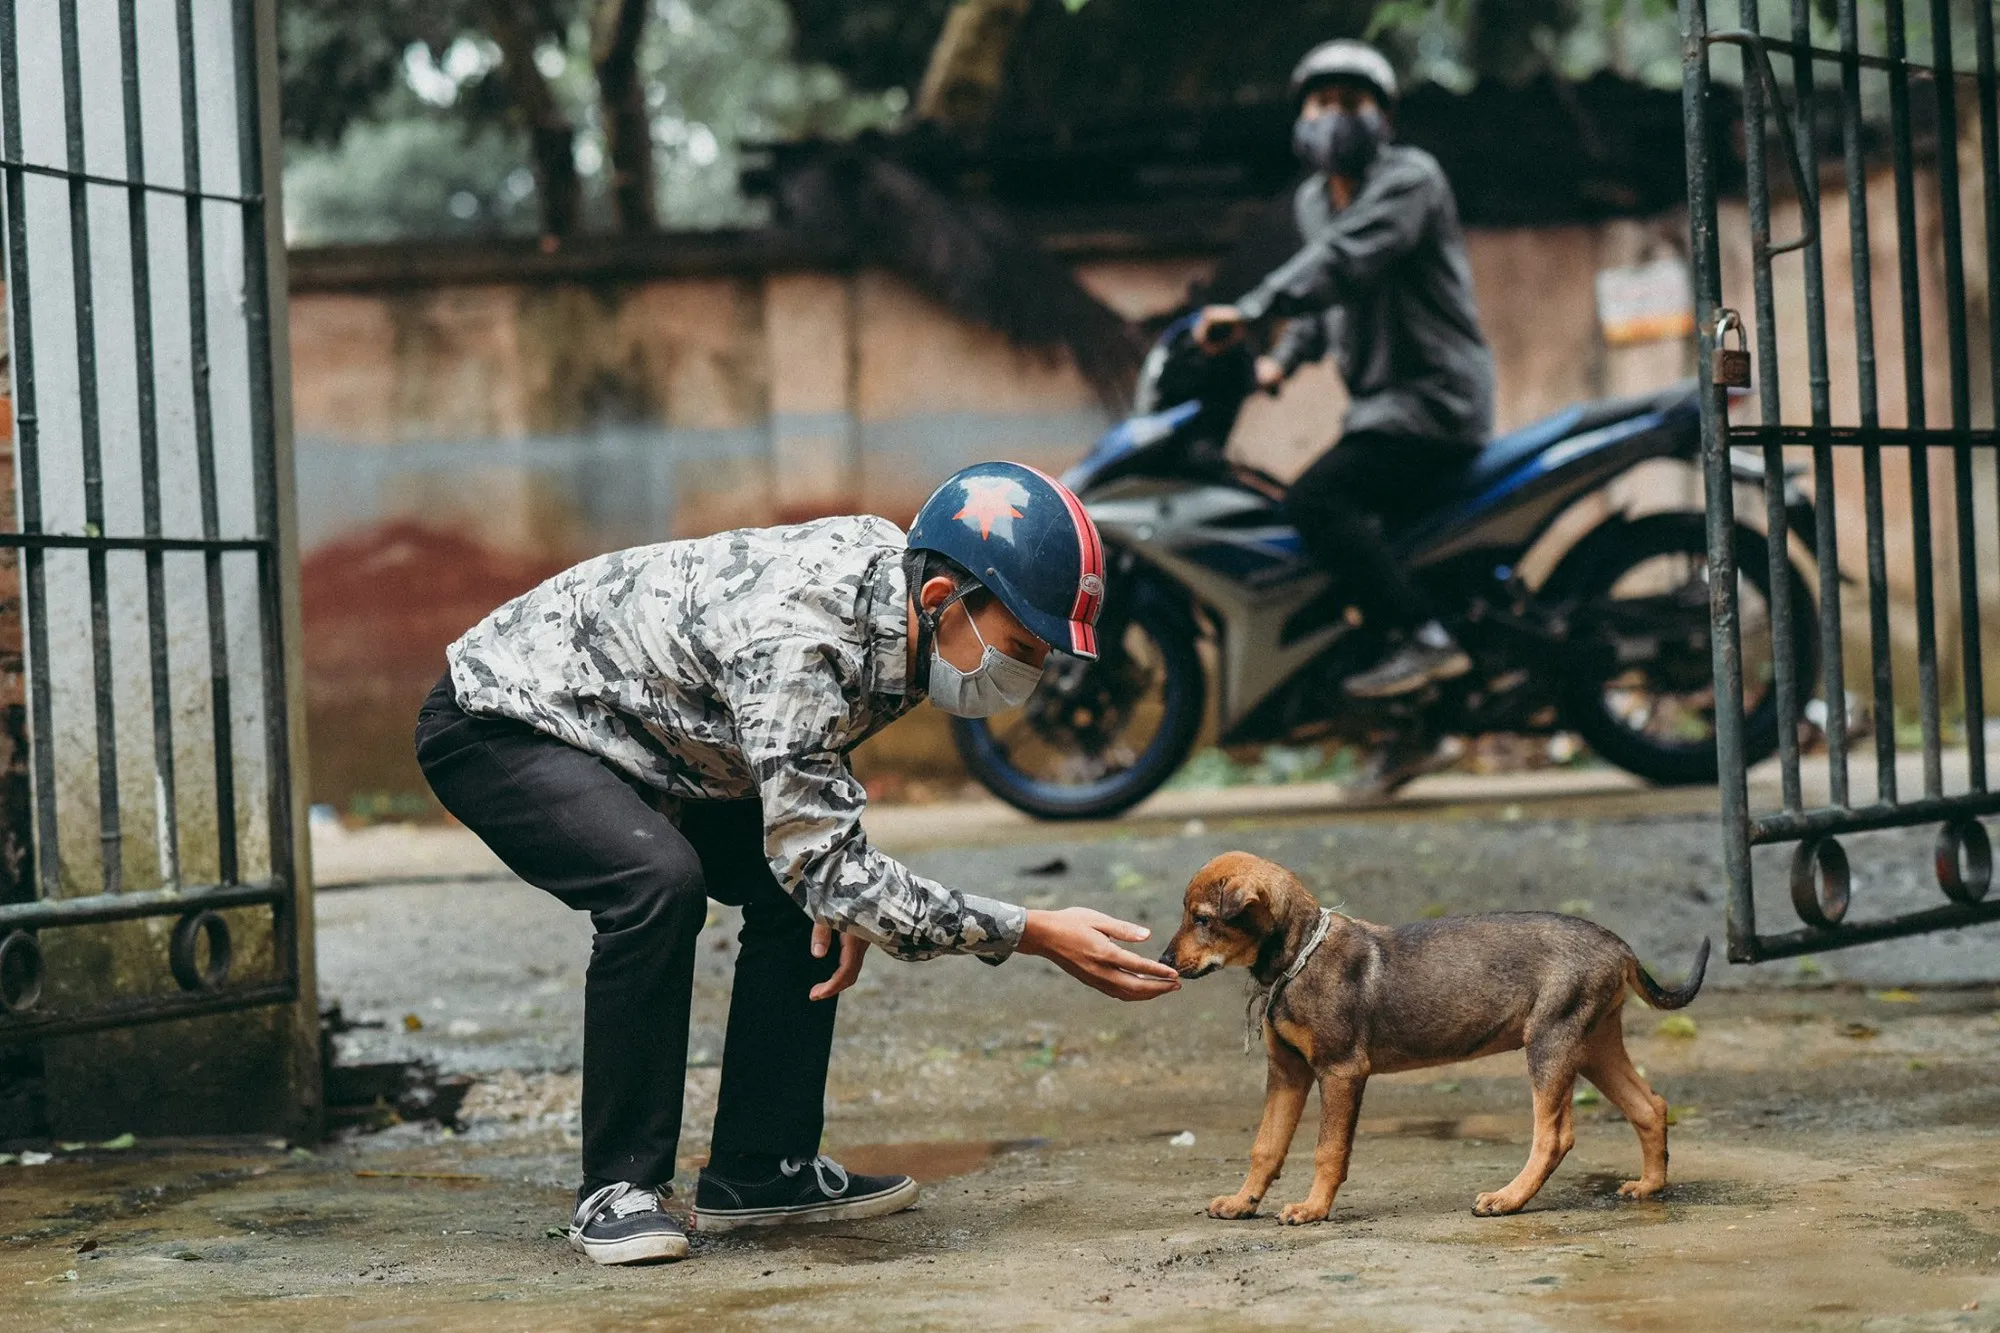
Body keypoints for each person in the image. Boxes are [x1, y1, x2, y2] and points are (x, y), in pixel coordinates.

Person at [413, 461, 1181, 1266]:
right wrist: (1034, 931)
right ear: (939, 598)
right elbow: (826, 860)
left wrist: (835, 886)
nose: (1027, 677)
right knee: (657, 881)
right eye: (1022, 646)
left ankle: (760, 1168)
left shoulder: (908, 612)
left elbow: (816, 833)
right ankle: (617, 1188)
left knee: (805, 895)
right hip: (499, 721)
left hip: (653, 742)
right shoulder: (805, 635)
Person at [1194, 39, 1496, 700]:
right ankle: (1418, 720)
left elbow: (1345, 262)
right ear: (1301, 116)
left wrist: (1248, 311)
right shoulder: (1313, 202)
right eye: (1322, 101)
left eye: (1351, 102)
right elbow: (1324, 296)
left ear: (1383, 119)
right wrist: (1280, 360)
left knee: (1315, 500)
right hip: (1383, 411)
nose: (1334, 115)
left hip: (1433, 403)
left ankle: (1425, 638)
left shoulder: (1410, 179)